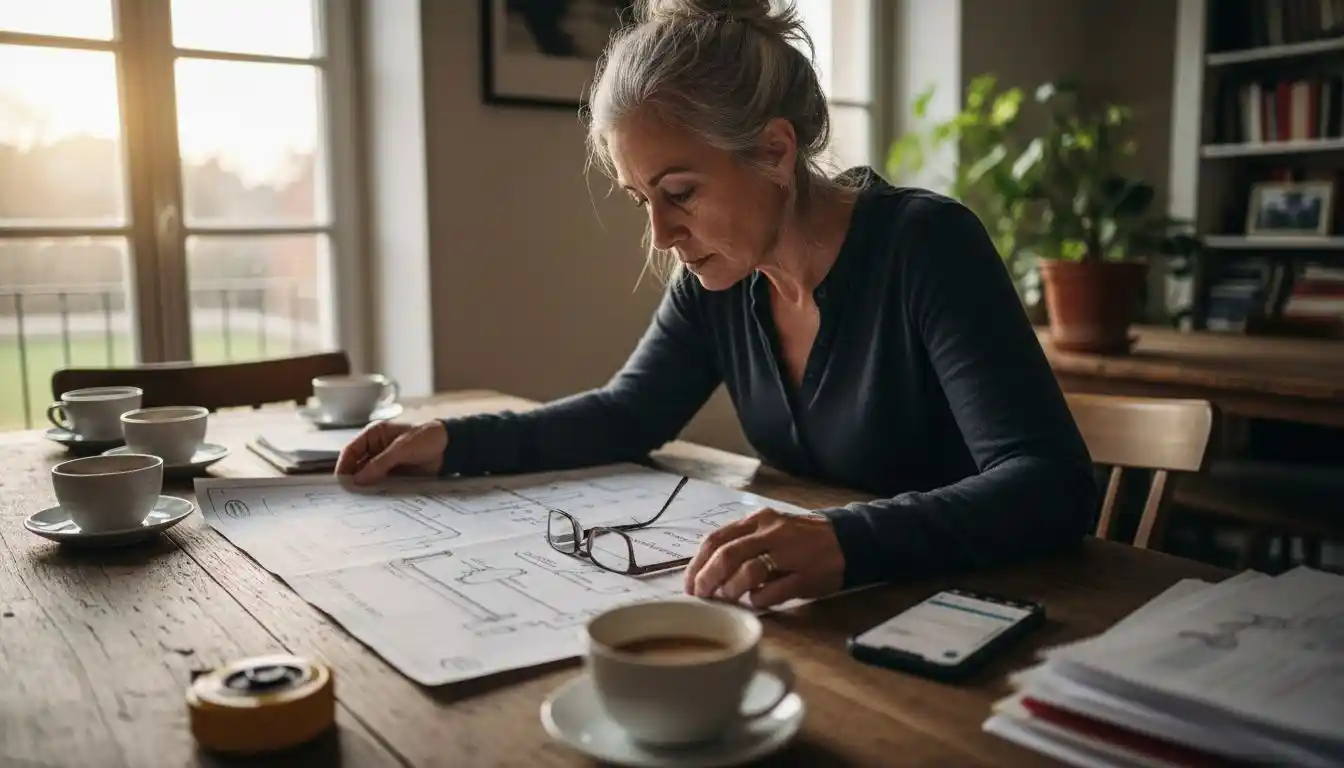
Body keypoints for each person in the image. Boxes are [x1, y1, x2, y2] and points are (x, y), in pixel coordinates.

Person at [336, 0, 1098, 610]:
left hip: (977, 616)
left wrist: (844, 540)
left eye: (680, 194)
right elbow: (629, 414)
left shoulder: (926, 246)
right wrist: (452, 443)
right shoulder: (720, 280)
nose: (662, 233)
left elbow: (1050, 484)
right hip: (828, 620)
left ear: (773, 150)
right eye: (641, 199)